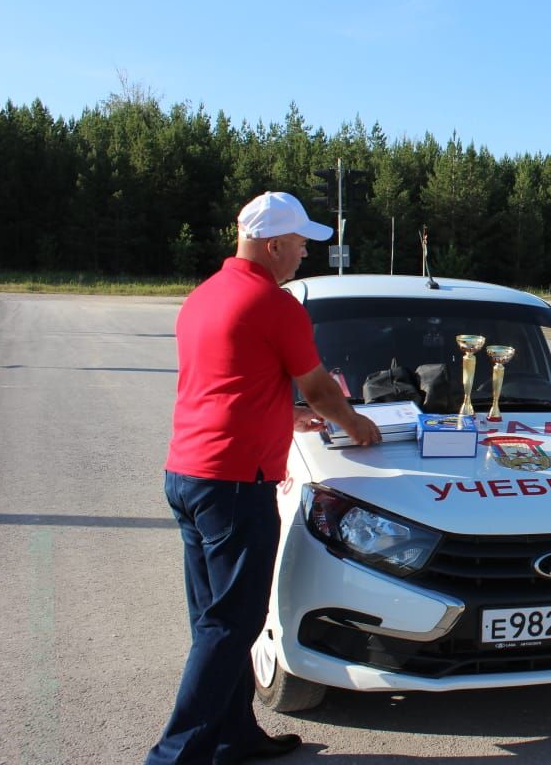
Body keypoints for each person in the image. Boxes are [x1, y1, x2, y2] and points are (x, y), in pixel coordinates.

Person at [147, 192, 381, 765]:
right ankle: (174, 756)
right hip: (235, 483)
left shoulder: (203, 297)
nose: (305, 253)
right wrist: (357, 425)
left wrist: (283, 412)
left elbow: (228, 382)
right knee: (232, 625)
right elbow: (321, 389)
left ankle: (233, 735)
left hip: (188, 473)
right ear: (273, 244)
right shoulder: (275, 305)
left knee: (213, 621)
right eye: (300, 243)